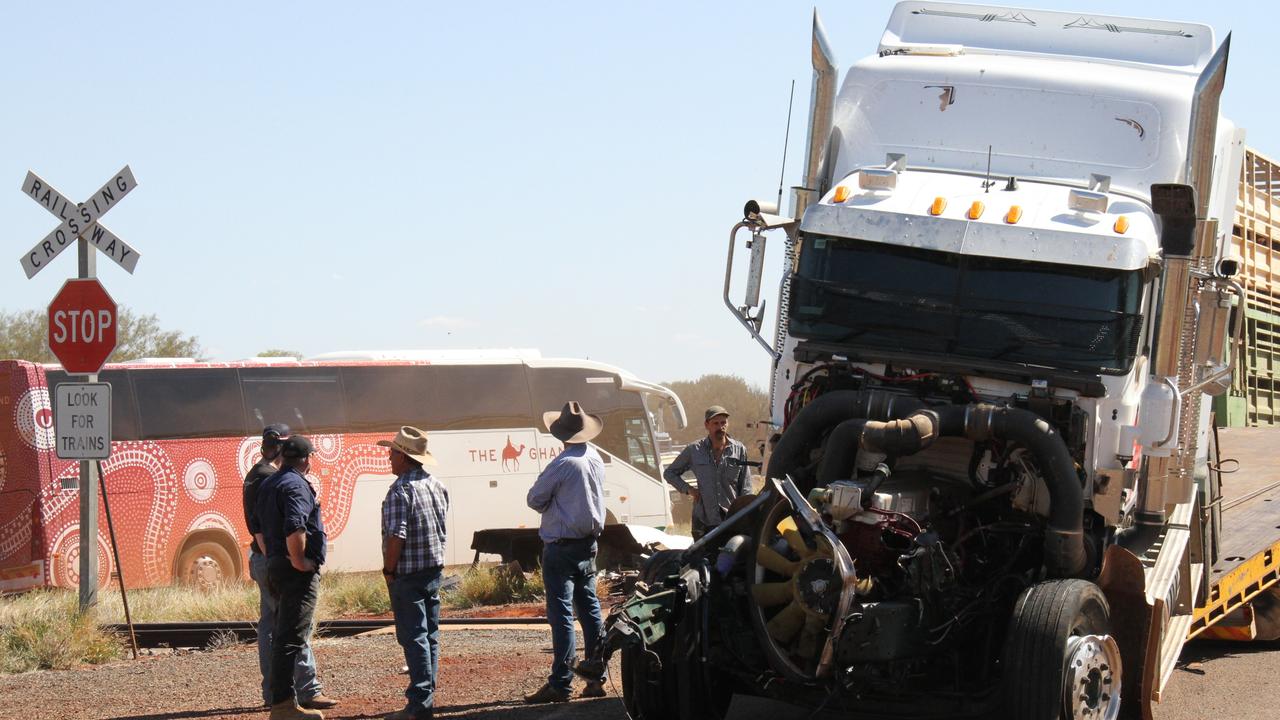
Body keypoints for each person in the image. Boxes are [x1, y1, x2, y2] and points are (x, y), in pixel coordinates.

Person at [244, 424, 335, 712]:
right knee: (292, 636)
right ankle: (287, 701)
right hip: (293, 571)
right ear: (306, 459)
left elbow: (258, 525)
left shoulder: (267, 481)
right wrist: (299, 562)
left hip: (274, 565)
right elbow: (295, 527)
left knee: (279, 633)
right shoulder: (294, 484)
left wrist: (273, 561)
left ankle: (279, 699)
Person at [523, 402, 608, 703]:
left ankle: (561, 683)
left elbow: (534, 499)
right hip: (588, 544)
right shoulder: (595, 458)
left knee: (561, 616)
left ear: (561, 434)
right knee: (590, 611)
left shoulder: (563, 463)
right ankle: (596, 678)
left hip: (561, 547)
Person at [378, 426, 449, 720]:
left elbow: (397, 536)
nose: (388, 458)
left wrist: (388, 570)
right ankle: (425, 697)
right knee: (429, 635)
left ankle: (419, 703)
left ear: (404, 457)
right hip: (433, 570)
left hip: (407, 574)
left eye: (392, 452)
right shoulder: (436, 484)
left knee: (414, 637)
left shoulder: (400, 490)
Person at [662, 405, 750, 539]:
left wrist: (745, 515)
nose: (720, 427)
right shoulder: (694, 450)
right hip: (704, 522)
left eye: (723, 423)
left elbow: (746, 488)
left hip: (732, 521)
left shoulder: (739, 450)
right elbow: (669, 473)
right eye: (715, 423)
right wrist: (689, 490)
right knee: (704, 559)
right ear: (707, 425)